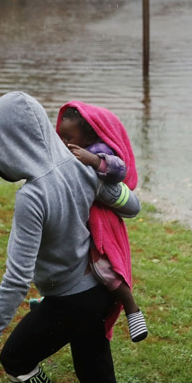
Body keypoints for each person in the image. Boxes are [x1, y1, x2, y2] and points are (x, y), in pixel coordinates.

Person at [0, 91, 142, 383]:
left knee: (16, 359)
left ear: (6, 145)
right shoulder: (80, 168)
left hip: (70, 300)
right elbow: (132, 205)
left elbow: (17, 278)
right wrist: (103, 173)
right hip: (99, 291)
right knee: (95, 368)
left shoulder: (32, 195)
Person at [56, 102, 147, 342]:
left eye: (69, 137)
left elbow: (119, 170)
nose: (65, 143)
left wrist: (94, 160)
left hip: (102, 220)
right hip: (82, 221)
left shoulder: (99, 149)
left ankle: (132, 309)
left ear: (87, 135)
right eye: (61, 137)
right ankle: (52, 305)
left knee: (105, 269)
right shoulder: (68, 153)